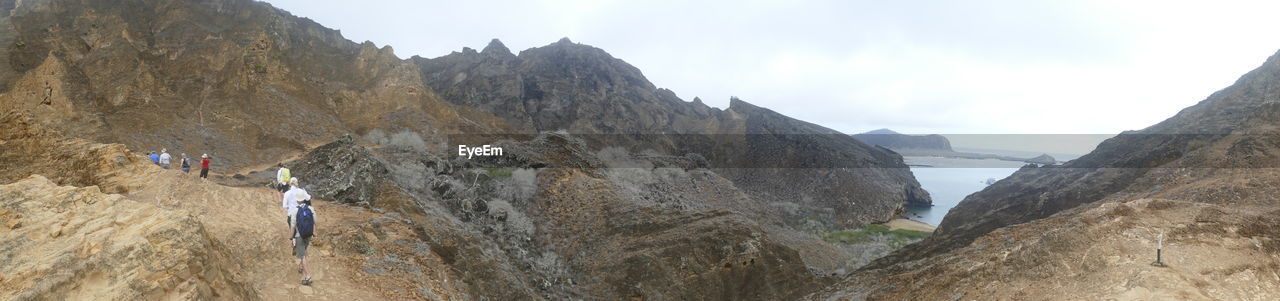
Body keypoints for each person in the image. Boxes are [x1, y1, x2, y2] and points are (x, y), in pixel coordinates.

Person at [289, 198, 317, 286]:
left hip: (299, 236)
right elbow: (315, 222)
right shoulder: (311, 209)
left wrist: (291, 237)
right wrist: (314, 232)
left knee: (302, 256)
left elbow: (292, 226)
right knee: (304, 250)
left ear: (297, 200)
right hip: (308, 234)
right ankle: (301, 267)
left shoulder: (295, 210)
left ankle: (308, 276)